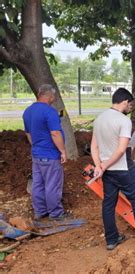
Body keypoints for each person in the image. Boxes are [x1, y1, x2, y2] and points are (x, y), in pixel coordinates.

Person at [90, 88, 135, 250]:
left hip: (108, 172)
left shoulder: (99, 119)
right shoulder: (124, 121)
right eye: (130, 104)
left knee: (108, 204)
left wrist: (99, 166)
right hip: (123, 167)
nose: (130, 107)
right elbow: (121, 149)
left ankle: (111, 239)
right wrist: (104, 165)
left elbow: (94, 146)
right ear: (124, 101)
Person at [22, 84, 70, 221]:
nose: (54, 99)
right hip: (50, 154)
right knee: (52, 184)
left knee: (38, 183)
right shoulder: (50, 111)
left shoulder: (28, 111)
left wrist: (36, 146)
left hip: (36, 154)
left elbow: (28, 133)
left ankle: (40, 211)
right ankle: (56, 213)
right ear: (50, 96)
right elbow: (55, 133)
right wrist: (62, 151)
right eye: (53, 97)